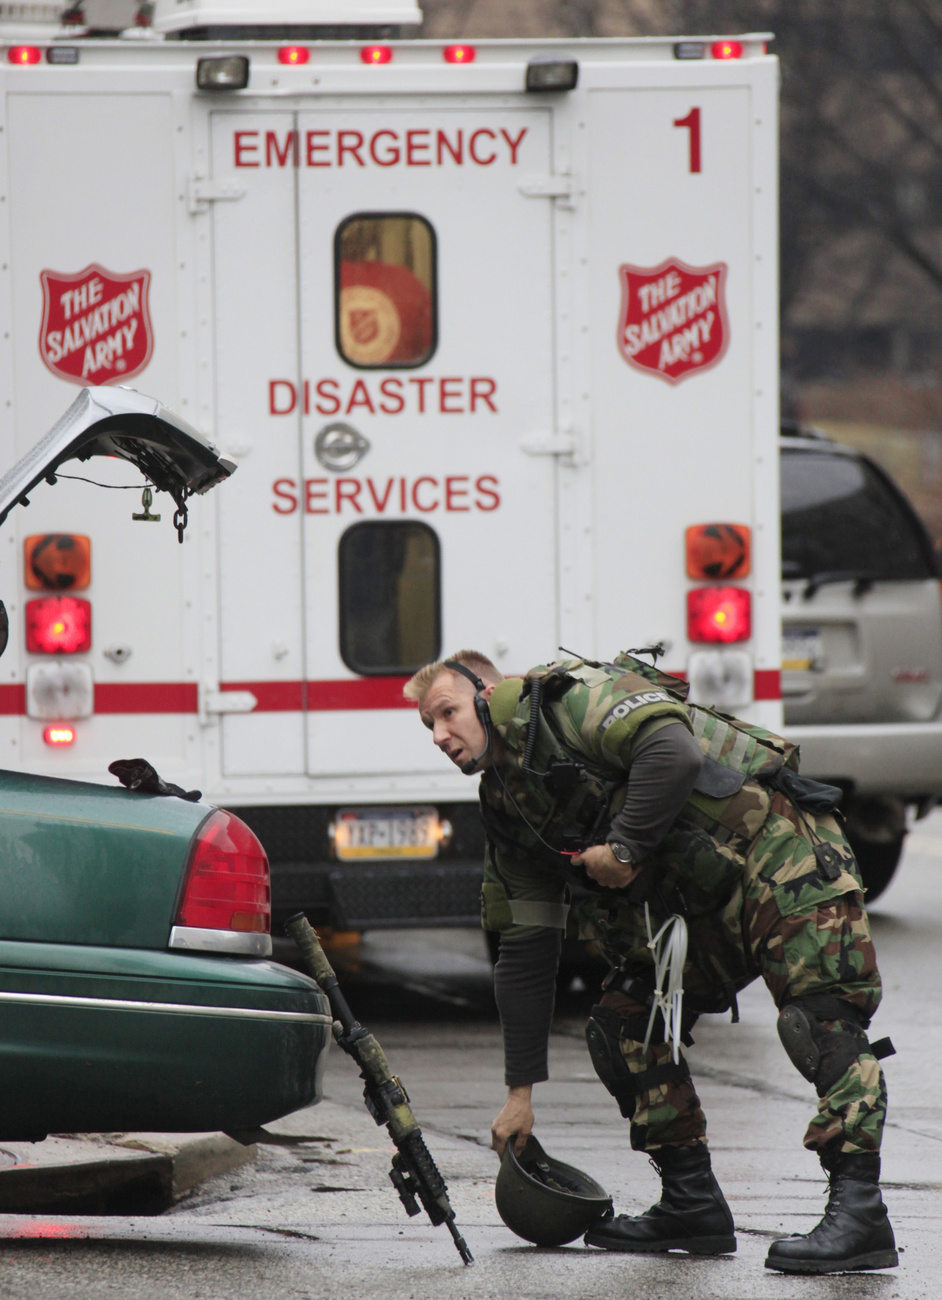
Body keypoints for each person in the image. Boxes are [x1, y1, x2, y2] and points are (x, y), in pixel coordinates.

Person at [403, 649, 898, 1276]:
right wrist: (519, 1095)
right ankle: (691, 1203)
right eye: (429, 727)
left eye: (447, 713)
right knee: (623, 1023)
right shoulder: (509, 808)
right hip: (702, 900)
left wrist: (625, 847)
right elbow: (525, 953)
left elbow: (673, 752)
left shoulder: (572, 701)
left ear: (486, 693)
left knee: (819, 1020)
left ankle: (860, 1212)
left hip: (778, 853)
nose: (441, 735)